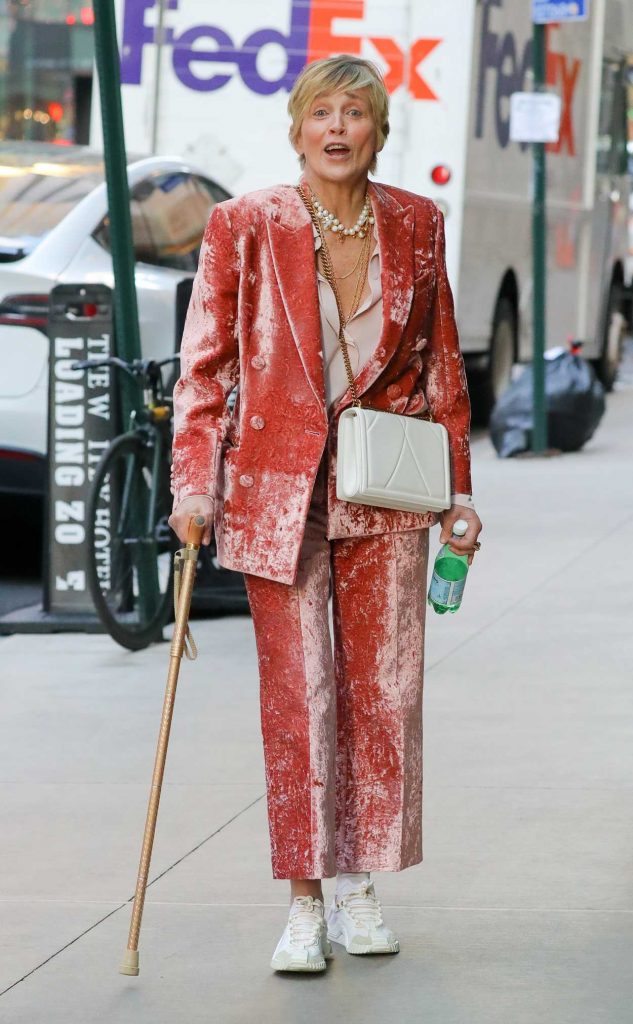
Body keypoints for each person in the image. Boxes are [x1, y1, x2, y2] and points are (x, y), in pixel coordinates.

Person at [168, 55, 483, 973]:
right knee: (299, 699)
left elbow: (441, 367)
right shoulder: (244, 226)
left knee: (382, 696)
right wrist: (195, 481)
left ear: (378, 132)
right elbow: (206, 367)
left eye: (355, 113)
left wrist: (459, 494)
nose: (336, 128)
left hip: (386, 492)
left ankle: (359, 888)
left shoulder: (416, 224)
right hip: (278, 493)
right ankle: (304, 899)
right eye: (320, 113)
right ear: (297, 129)